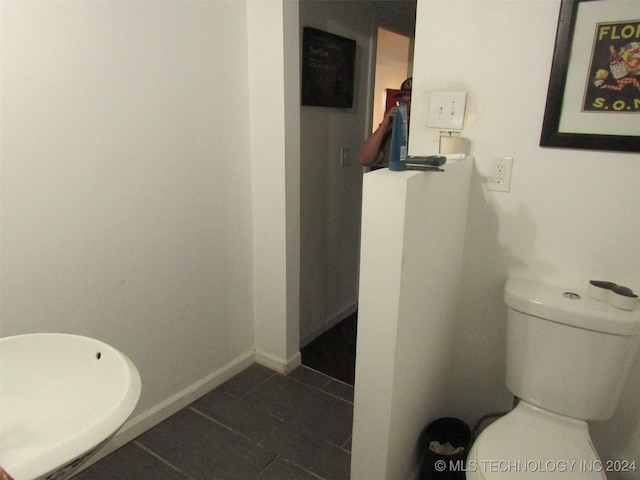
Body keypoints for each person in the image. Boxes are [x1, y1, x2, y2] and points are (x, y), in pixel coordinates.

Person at [358, 78, 412, 167]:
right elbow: (364, 159)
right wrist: (384, 126)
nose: (406, 106)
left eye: (410, 101)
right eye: (403, 101)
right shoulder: (392, 130)